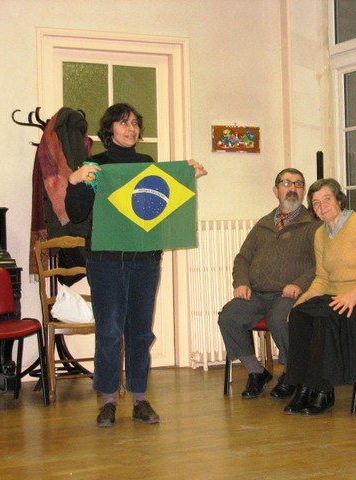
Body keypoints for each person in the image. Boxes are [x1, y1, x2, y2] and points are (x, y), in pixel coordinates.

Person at [65, 103, 206, 427]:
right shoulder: (97, 165)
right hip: (106, 260)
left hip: (144, 259)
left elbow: (160, 208)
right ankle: (108, 401)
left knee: (140, 332)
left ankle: (140, 398)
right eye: (123, 123)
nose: (130, 129)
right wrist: (75, 179)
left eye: (134, 123)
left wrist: (186, 178)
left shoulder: (147, 164)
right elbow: (76, 213)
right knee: (110, 331)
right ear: (109, 129)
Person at [283, 178, 356, 416]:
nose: (322, 206)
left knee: (327, 316)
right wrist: (303, 300)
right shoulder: (320, 234)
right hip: (335, 295)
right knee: (300, 314)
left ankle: (323, 390)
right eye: (316, 203)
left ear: (339, 200)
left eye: (326, 199)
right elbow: (322, 278)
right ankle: (303, 387)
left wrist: (355, 295)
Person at [218, 168, 321, 400]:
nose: (292, 189)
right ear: (276, 191)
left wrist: (299, 284)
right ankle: (256, 372)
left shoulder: (313, 224)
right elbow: (242, 259)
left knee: (279, 319)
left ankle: (292, 373)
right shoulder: (263, 224)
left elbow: (321, 264)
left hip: (290, 294)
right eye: (287, 183)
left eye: (298, 184)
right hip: (256, 294)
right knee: (229, 316)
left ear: (303, 191)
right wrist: (241, 282)